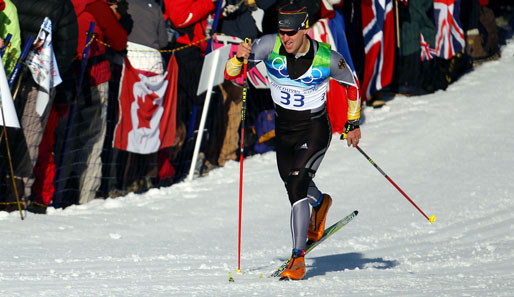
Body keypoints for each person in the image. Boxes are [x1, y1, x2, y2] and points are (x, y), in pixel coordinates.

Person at [224, 3, 361, 280]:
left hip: (314, 129)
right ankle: (320, 203)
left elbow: (352, 85)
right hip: (284, 130)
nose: (285, 39)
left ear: (305, 30)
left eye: (291, 34)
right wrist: (240, 58)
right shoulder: (267, 46)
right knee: (292, 182)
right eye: (282, 32)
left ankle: (297, 258)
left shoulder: (326, 58)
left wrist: (352, 123)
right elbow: (231, 73)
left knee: (297, 185)